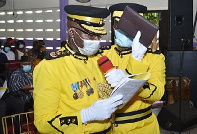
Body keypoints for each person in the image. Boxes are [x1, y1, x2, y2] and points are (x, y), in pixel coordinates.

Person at [33, 5, 123, 134]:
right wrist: (85, 115)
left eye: (99, 36)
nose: (96, 41)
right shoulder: (50, 67)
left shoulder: (99, 59)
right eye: (91, 36)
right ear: (71, 32)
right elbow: (43, 123)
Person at [100, 3, 165, 133]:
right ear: (114, 26)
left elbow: (157, 93)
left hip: (141, 127)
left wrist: (133, 81)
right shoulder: (102, 55)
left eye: (130, 28)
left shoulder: (154, 58)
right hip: (107, 127)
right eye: (120, 26)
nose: (125, 31)